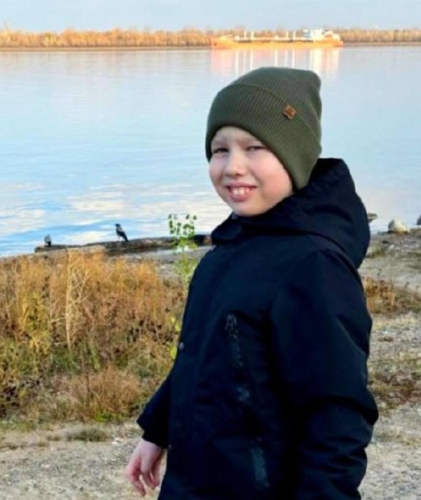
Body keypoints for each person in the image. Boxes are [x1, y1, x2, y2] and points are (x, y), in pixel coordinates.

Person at [126, 67, 378, 499]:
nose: (233, 167)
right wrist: (157, 430)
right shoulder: (228, 250)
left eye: (254, 147)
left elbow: (337, 415)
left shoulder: (313, 266)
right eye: (220, 150)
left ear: (295, 156)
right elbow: (202, 358)